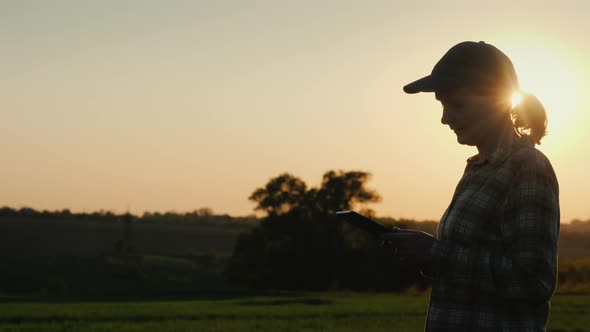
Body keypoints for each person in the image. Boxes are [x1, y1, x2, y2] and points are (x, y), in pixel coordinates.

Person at [381, 41, 560, 331]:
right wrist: (424, 251)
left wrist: (436, 253)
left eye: (457, 104)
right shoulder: (479, 168)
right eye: (442, 105)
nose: (445, 118)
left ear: (496, 99)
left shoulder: (529, 168)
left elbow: (534, 281)